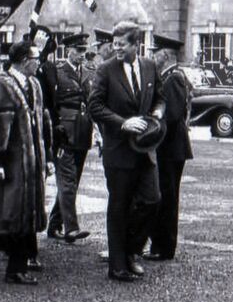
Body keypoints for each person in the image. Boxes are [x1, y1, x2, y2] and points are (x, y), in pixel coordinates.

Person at [88, 21, 165, 282]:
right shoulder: (105, 70)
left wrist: (157, 113)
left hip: (145, 149)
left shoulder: (149, 66)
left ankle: (132, 251)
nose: (116, 49)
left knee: (152, 200)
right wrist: (123, 122)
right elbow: (94, 106)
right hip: (118, 151)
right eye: (115, 44)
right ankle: (118, 265)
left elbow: (160, 98)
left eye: (122, 44)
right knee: (119, 207)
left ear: (136, 44)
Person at [0, 40, 48, 285]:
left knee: (24, 214)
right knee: (8, 212)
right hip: (8, 161)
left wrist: (48, 158)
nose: (39, 62)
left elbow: (41, 126)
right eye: (36, 58)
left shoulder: (34, 84)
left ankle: (16, 268)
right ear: (24, 60)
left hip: (31, 163)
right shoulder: (0, 86)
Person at [142, 34, 193, 261]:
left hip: (170, 147)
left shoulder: (173, 78)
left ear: (165, 54)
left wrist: (151, 130)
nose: (153, 56)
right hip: (172, 146)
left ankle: (163, 247)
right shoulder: (172, 76)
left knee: (168, 197)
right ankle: (161, 245)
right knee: (165, 195)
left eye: (155, 52)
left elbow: (170, 116)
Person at [47, 33, 93, 243]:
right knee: (67, 181)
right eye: (79, 50)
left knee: (72, 181)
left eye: (84, 51)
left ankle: (54, 224)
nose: (82, 55)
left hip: (83, 132)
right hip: (64, 133)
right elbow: (52, 104)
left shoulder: (89, 73)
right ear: (69, 51)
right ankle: (71, 228)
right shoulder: (58, 73)